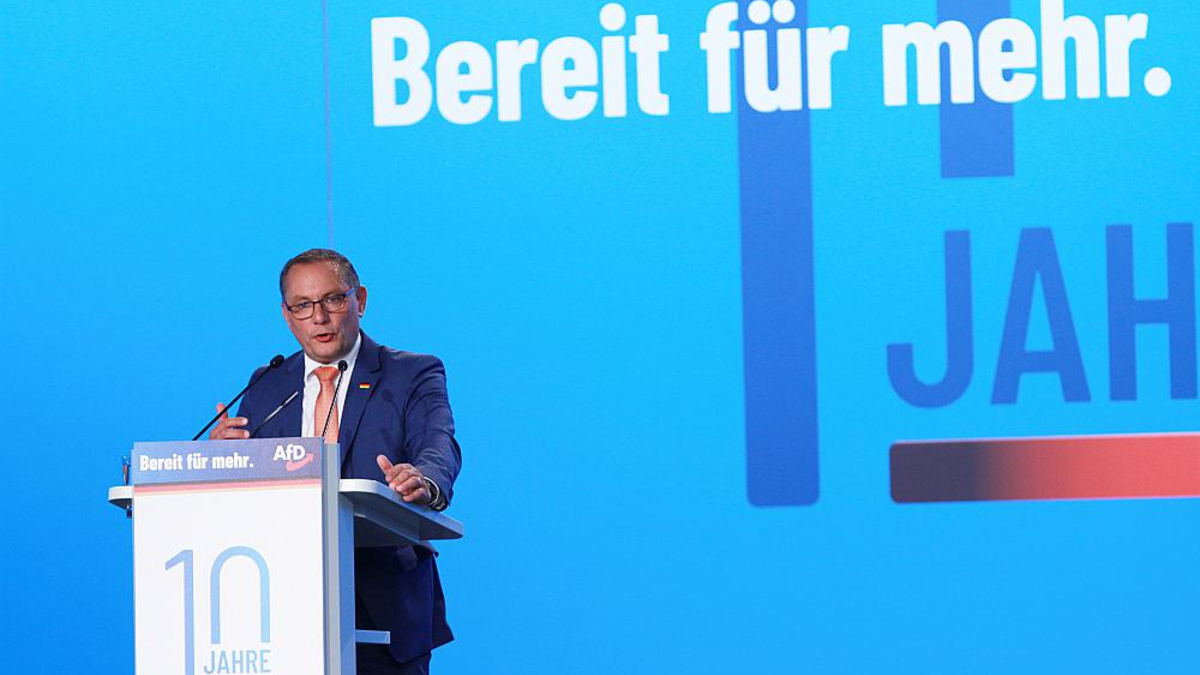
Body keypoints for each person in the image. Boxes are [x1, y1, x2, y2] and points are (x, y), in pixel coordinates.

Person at [209, 248, 462, 675]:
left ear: (359, 300)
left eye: (333, 299)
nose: (319, 317)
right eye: (303, 306)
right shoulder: (268, 383)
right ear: (287, 316)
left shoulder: (411, 373)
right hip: (279, 605)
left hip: (381, 606)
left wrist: (425, 480)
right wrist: (223, 460)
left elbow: (439, 445)